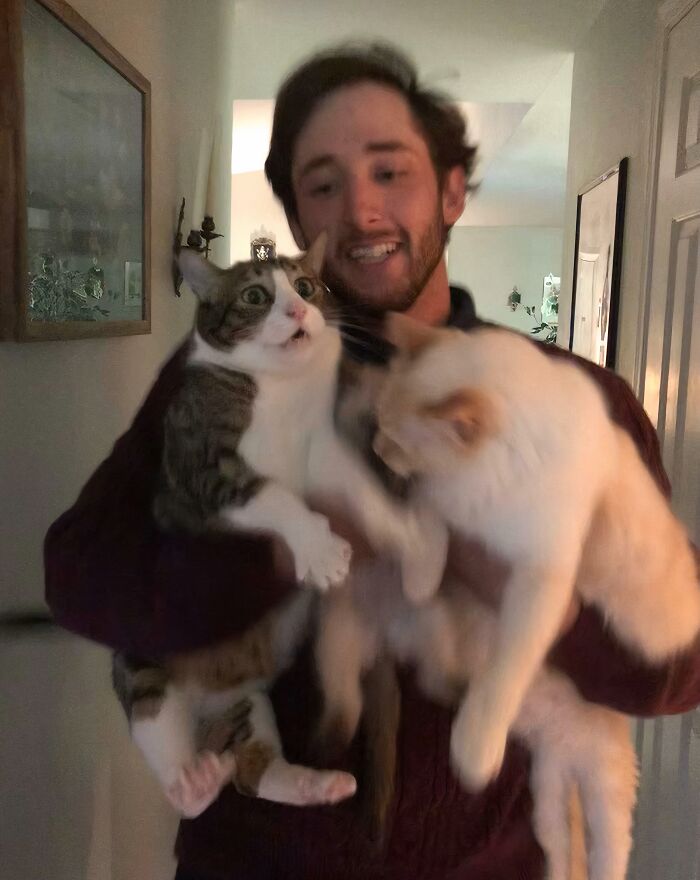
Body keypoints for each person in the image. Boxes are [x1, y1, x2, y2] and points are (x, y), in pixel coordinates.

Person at [45, 43, 700, 880]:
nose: (360, 210)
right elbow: (78, 574)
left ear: (453, 190)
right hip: (252, 861)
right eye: (323, 184)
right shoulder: (221, 379)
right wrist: (281, 550)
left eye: (390, 172)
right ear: (297, 220)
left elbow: (677, 666)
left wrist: (517, 579)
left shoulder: (574, 403)